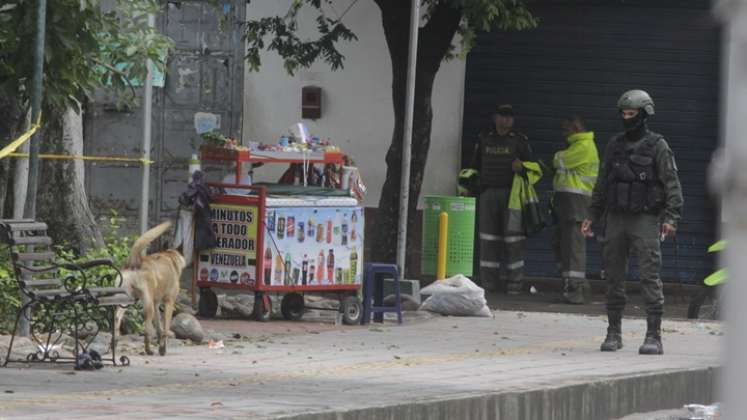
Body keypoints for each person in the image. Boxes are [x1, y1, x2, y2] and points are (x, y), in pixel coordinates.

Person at [581, 90, 683, 355]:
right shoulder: (614, 145)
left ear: (644, 114)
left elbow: (672, 183)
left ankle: (654, 336)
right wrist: (592, 215)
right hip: (616, 219)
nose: (627, 118)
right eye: (624, 114)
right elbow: (602, 184)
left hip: (645, 219)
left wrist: (671, 217)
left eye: (632, 114)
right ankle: (613, 332)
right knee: (613, 276)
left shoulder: (658, 145)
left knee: (650, 276)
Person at [471, 104, 537, 295]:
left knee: (514, 241)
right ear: (495, 118)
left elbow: (535, 168)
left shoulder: (519, 141)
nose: (506, 119)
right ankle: (488, 284)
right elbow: (474, 166)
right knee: (488, 240)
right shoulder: (484, 139)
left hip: (512, 197)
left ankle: (514, 285)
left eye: (510, 116)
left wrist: (522, 167)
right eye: (502, 115)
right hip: (488, 194)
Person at [551, 116, 599, 304]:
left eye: (566, 130)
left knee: (573, 249)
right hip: (567, 204)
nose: (564, 134)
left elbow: (560, 161)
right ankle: (573, 287)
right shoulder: (577, 146)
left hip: (576, 205)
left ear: (576, 128)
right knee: (562, 245)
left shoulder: (584, 146)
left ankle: (576, 291)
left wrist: (557, 156)